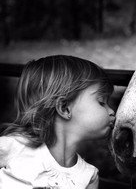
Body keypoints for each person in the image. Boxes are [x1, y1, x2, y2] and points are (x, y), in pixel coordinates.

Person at [0, 55, 115, 189]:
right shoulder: (15, 146)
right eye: (101, 102)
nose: (112, 111)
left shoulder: (88, 177)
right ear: (64, 108)